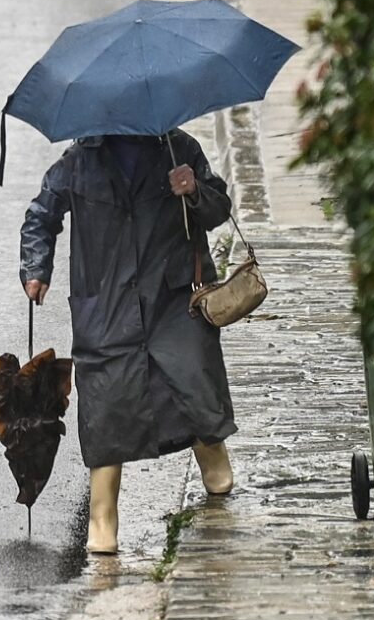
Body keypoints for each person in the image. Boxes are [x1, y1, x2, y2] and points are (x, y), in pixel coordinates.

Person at [19, 130, 236, 554]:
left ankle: (214, 460)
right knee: (106, 403)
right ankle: (103, 519)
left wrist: (193, 190)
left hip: (172, 298)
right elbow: (41, 215)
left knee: (191, 379)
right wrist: (35, 267)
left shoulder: (179, 148)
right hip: (106, 304)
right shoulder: (79, 161)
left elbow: (218, 208)